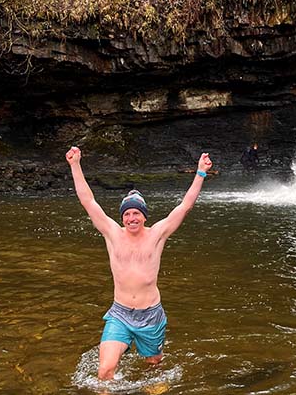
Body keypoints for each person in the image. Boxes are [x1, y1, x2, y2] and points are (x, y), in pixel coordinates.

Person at [65, 146, 213, 380]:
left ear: (144, 216)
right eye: (127, 214)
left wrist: (200, 173)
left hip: (150, 314)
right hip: (120, 313)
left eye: (136, 213)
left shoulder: (157, 234)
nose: (131, 218)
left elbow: (185, 206)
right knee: (105, 370)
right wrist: (75, 165)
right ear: (122, 218)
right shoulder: (112, 233)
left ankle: (150, 387)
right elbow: (88, 201)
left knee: (153, 365)